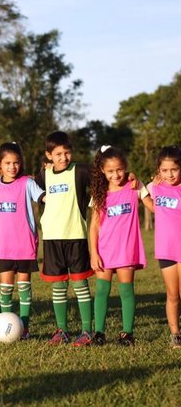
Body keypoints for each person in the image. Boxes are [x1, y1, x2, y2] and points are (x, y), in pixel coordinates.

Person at [0, 142, 45, 339]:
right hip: (5, 246)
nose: (12, 167)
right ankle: (4, 324)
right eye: (7, 163)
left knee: (24, 286)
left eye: (16, 163)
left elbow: (44, 197)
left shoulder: (27, 183)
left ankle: (23, 327)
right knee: (5, 287)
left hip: (25, 244)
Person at [89, 146, 152, 346]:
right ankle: (99, 332)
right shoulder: (100, 193)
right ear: (102, 171)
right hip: (104, 250)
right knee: (101, 291)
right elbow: (94, 227)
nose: (116, 174)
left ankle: (127, 333)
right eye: (110, 171)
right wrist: (93, 253)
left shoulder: (134, 187)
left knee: (126, 291)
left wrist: (149, 184)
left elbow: (153, 204)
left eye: (119, 169)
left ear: (125, 167)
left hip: (126, 249)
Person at [36, 131, 94, 346]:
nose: (63, 157)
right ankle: (63, 330)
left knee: (80, 285)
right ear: (49, 155)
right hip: (51, 238)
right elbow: (27, 187)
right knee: (58, 287)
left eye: (67, 152)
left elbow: (105, 178)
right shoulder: (43, 175)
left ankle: (87, 331)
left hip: (75, 235)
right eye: (58, 154)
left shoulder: (80, 171)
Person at [147, 146, 181, 348]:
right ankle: (175, 333)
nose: (170, 174)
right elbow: (150, 202)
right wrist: (153, 182)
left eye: (174, 169)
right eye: (165, 170)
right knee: (172, 294)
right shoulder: (155, 188)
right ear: (159, 170)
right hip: (165, 250)